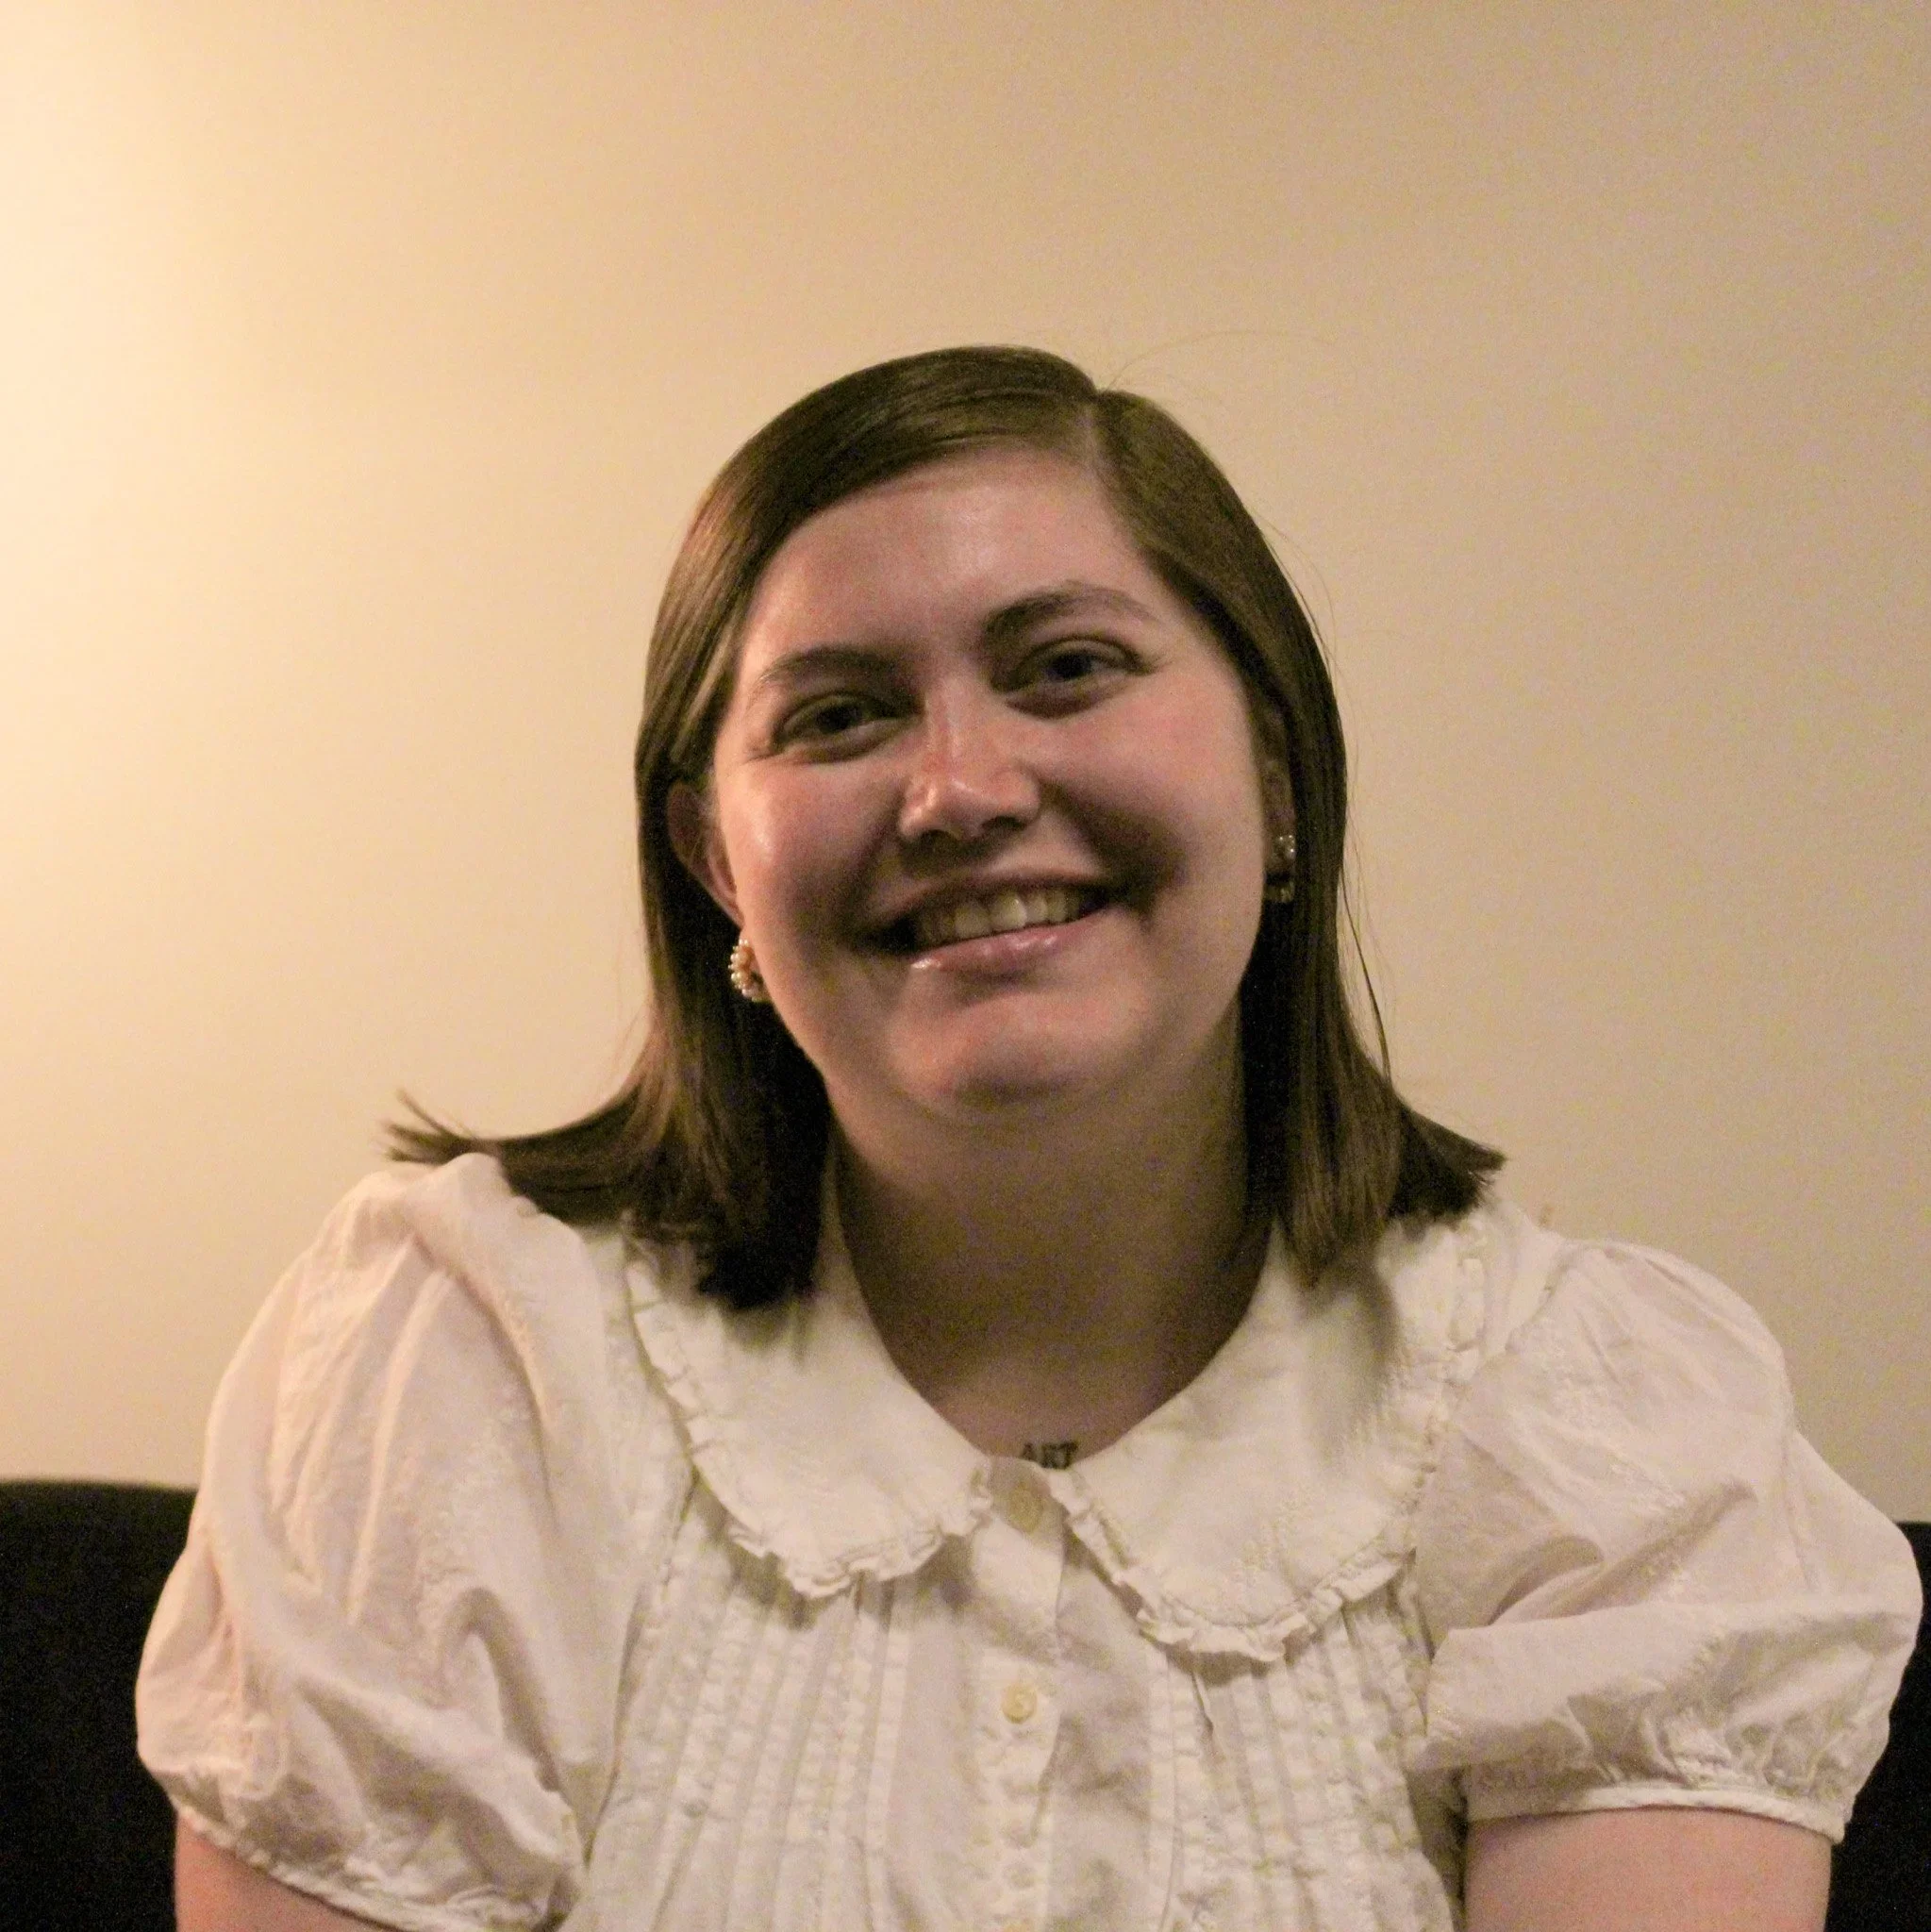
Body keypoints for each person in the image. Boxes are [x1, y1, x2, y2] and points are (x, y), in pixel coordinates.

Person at [139, 346, 1920, 1932]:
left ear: (1279, 778)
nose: (963, 788)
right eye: (837, 715)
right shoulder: (461, 1364)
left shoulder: (1611, 1434)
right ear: (715, 870)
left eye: (1065, 667)